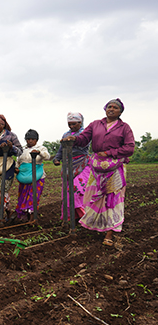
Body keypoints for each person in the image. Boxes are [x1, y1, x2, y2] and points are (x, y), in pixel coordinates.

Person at [65, 99, 135, 246]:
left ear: (120, 112)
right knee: (94, 197)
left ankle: (110, 233)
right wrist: (74, 139)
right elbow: (84, 139)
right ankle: (99, 225)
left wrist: (110, 152)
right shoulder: (96, 124)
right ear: (105, 109)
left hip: (114, 168)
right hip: (97, 167)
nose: (112, 109)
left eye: (116, 108)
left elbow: (129, 148)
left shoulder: (124, 128)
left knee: (112, 199)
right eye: (109, 106)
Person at [53, 112, 90, 221]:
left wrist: (73, 140)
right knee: (67, 191)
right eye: (70, 124)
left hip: (81, 163)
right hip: (67, 164)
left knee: (77, 190)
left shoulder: (84, 134)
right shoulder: (65, 135)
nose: (72, 126)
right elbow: (61, 149)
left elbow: (84, 144)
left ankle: (84, 216)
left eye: (74, 124)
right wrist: (57, 158)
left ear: (80, 122)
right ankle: (69, 217)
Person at [15, 129, 50, 221]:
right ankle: (23, 217)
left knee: (33, 196)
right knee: (23, 196)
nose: (30, 141)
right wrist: (16, 168)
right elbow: (18, 161)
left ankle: (32, 217)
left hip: (37, 176)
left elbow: (47, 156)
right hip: (24, 176)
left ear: (36, 140)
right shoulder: (22, 149)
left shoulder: (41, 148)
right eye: (28, 139)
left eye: (32, 139)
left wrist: (39, 153)